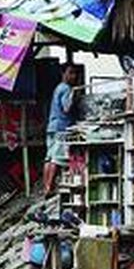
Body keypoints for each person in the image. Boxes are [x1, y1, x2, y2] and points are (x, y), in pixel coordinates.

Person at [43, 64, 79, 195]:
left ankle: (46, 186)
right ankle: (50, 187)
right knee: (57, 159)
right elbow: (66, 108)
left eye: (75, 73)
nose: (73, 76)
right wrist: (74, 97)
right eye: (71, 73)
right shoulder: (66, 89)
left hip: (52, 126)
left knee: (49, 157)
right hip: (62, 127)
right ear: (63, 74)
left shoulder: (58, 88)